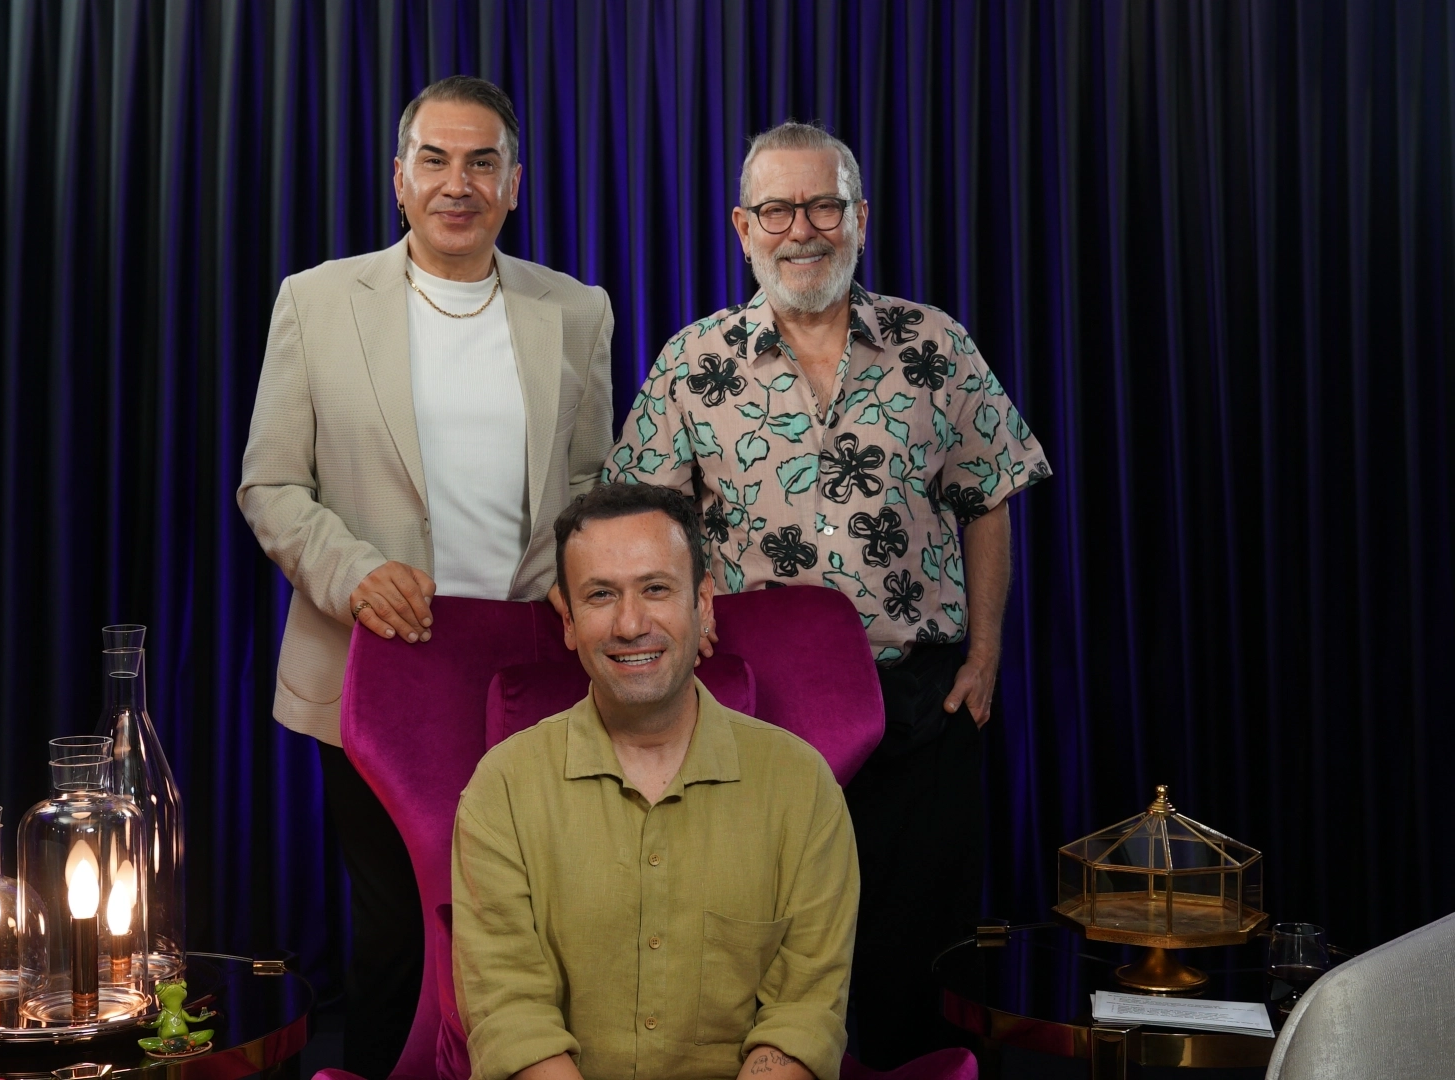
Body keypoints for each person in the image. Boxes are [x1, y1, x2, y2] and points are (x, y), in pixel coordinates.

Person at [602, 122, 1051, 1065]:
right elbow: (639, 520)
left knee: (913, 960)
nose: (800, 229)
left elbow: (989, 497)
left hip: (919, 705)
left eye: (822, 206)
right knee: (760, 953)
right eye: (776, 210)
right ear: (742, 227)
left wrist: (984, 655)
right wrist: (685, 606)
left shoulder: (935, 344)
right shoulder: (693, 361)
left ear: (860, 219)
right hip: (756, 707)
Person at [237, 75, 613, 1076]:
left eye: (483, 162)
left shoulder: (577, 311)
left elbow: (590, 484)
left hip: (531, 671)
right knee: (400, 930)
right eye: (436, 160)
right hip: (378, 668)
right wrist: (354, 572)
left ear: (514, 184)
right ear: (399, 178)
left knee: (540, 921)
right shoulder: (316, 300)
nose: (459, 183)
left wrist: (585, 583)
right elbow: (270, 484)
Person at [452, 482, 859, 1080]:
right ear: (568, 621)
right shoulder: (503, 789)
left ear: (704, 603)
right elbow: (511, 1017)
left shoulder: (802, 787)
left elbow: (804, 1015)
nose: (630, 623)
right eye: (600, 595)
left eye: (656, 589)